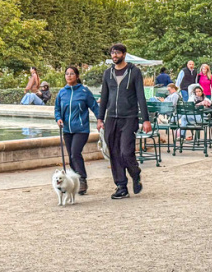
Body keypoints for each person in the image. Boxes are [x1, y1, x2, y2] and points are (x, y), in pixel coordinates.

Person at [96, 43, 151, 200]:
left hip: (129, 117)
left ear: (124, 54)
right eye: (112, 53)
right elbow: (104, 97)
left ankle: (135, 172)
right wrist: (100, 118)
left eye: (117, 53)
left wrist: (145, 120)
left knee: (125, 152)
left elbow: (141, 96)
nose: (114, 56)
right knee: (114, 152)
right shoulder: (108, 73)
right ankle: (121, 186)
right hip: (111, 117)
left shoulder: (135, 72)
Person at [54, 66, 99, 195]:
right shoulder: (62, 92)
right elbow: (57, 109)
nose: (69, 76)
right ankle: (74, 181)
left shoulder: (84, 91)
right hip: (67, 129)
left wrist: (100, 120)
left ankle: (82, 179)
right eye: (67, 74)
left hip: (81, 129)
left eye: (72, 74)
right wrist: (58, 119)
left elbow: (95, 107)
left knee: (75, 153)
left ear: (77, 76)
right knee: (71, 156)